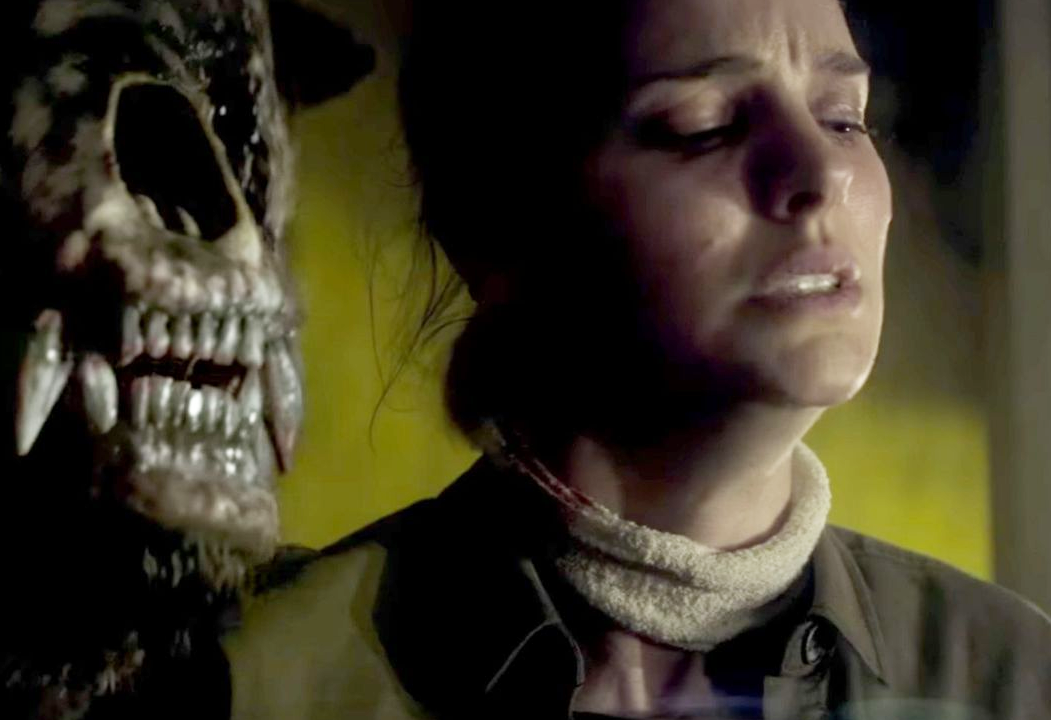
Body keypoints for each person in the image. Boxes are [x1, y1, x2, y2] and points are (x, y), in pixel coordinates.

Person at [222, 1, 1051, 718]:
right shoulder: (265, 681)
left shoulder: (1014, 678)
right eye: (704, 125)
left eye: (843, 118)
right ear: (496, 223)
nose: (822, 171)